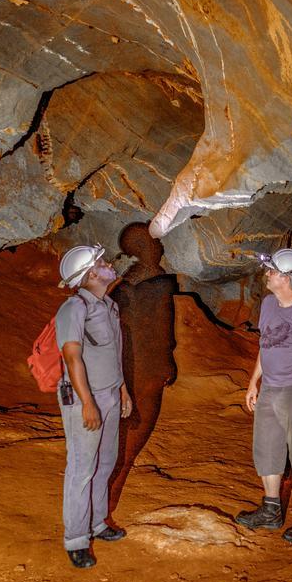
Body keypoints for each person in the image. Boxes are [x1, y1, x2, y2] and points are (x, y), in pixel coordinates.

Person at [236, 248, 292, 543]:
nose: (267, 275)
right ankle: (271, 510)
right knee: (266, 449)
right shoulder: (267, 303)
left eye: (273, 272)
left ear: (287, 279)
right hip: (271, 389)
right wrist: (254, 382)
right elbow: (266, 346)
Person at [55, 244, 133, 569]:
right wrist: (88, 402)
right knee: (82, 467)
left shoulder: (109, 306)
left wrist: (124, 391)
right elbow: (72, 357)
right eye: (101, 263)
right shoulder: (74, 308)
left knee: (106, 461)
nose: (108, 265)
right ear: (90, 274)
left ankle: (97, 523)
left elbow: (113, 356)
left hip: (111, 393)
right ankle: (76, 539)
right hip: (85, 398)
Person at [106, 222, 178, 524]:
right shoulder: (154, 286)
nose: (159, 247)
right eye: (153, 243)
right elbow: (162, 334)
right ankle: (103, 512)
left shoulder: (123, 288)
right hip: (144, 374)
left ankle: (101, 510)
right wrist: (166, 366)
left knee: (121, 446)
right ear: (142, 249)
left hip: (131, 372)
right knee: (127, 449)